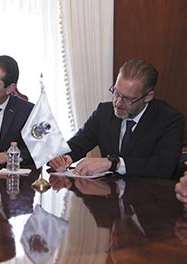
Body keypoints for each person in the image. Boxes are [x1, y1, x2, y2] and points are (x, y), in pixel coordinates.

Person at [49, 59, 184, 178]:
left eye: (128, 98)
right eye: (116, 93)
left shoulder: (169, 120)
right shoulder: (104, 112)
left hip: (149, 200)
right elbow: (78, 143)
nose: (118, 103)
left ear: (148, 97)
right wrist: (64, 157)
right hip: (109, 198)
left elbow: (164, 166)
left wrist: (114, 163)